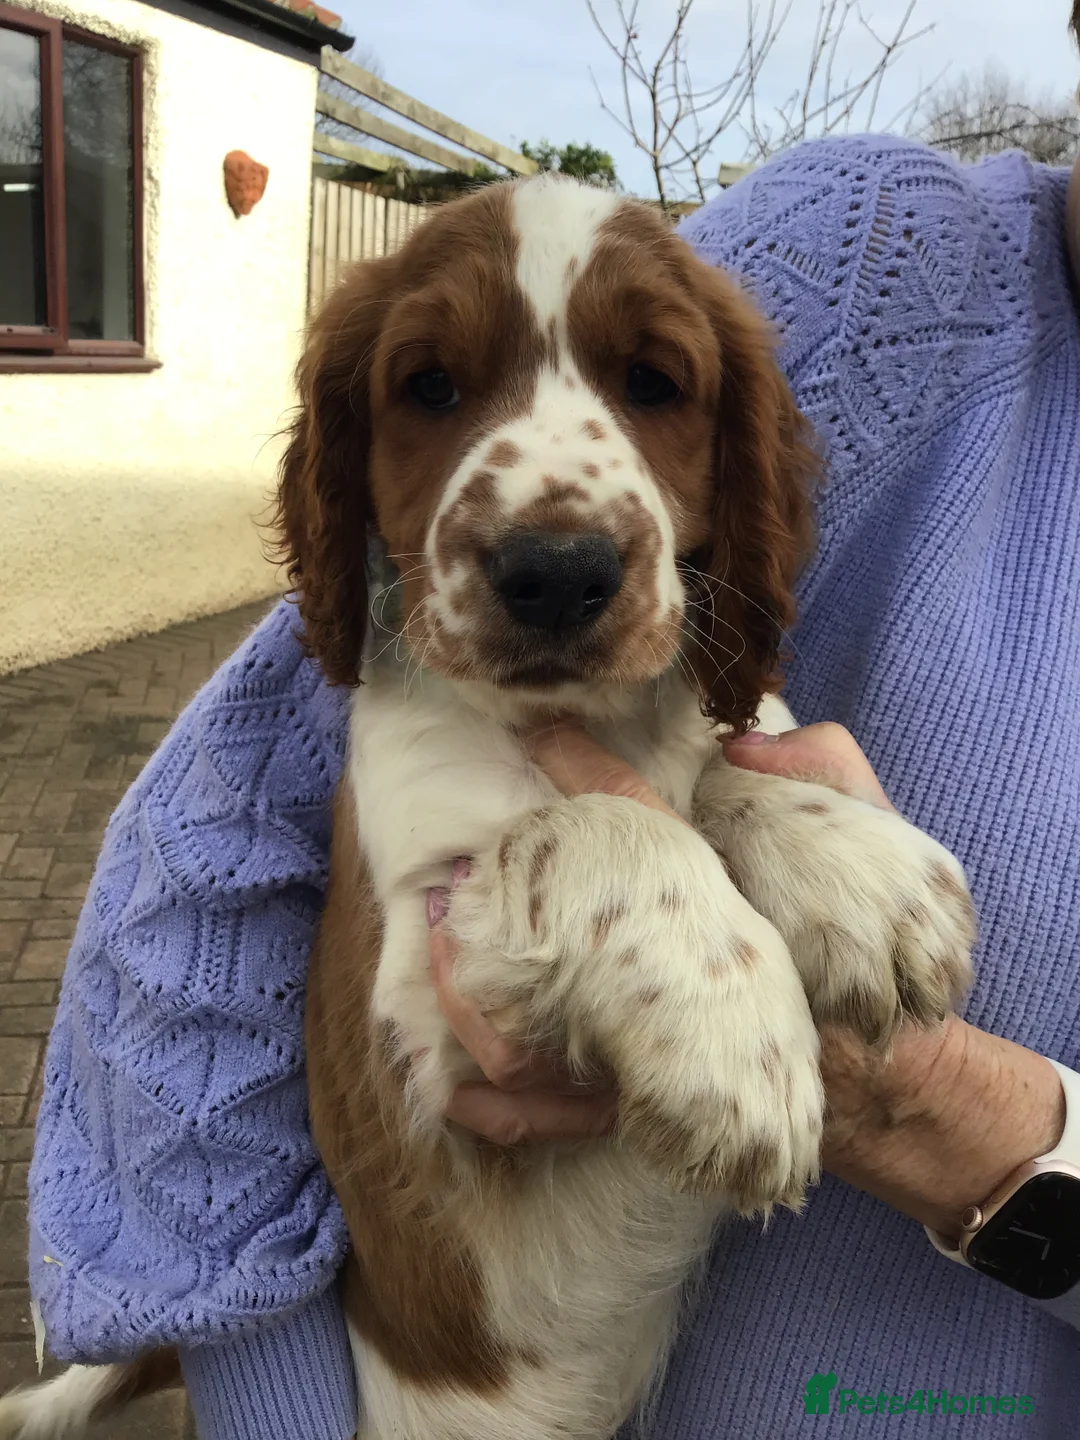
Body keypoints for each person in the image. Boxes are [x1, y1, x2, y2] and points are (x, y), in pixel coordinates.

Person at [23, 5, 1080, 1435]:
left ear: (743, 481)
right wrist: (255, 1390)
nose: (552, 508)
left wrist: (948, 1107)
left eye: (649, 388)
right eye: (431, 387)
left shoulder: (721, 681)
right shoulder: (877, 262)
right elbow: (207, 884)